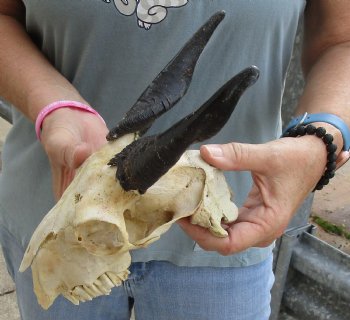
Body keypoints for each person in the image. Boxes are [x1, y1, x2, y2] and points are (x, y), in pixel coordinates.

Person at [0, 1, 349, 319]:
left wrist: (321, 138)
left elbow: (342, 41)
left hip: (230, 230)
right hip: (59, 227)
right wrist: (53, 104)